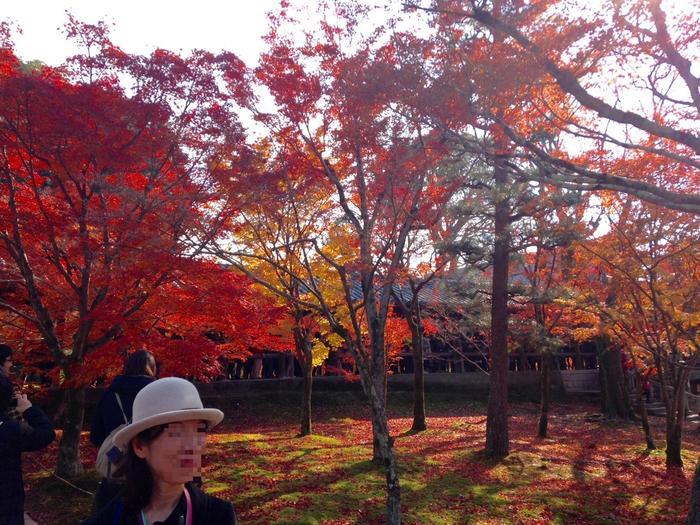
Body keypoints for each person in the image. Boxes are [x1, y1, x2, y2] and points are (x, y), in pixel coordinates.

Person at [82, 377, 237, 525]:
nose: (192, 445)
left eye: (199, 431)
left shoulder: (218, 515)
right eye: (177, 433)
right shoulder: (110, 519)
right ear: (139, 446)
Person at [0, 344, 56, 525]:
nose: (11, 365)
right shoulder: (8, 430)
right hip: (7, 505)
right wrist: (29, 410)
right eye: (8, 361)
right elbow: (46, 434)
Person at [90, 350, 158, 448]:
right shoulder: (159, 393)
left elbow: (96, 437)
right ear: (152, 367)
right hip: (152, 455)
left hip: (118, 457)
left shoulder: (110, 394)